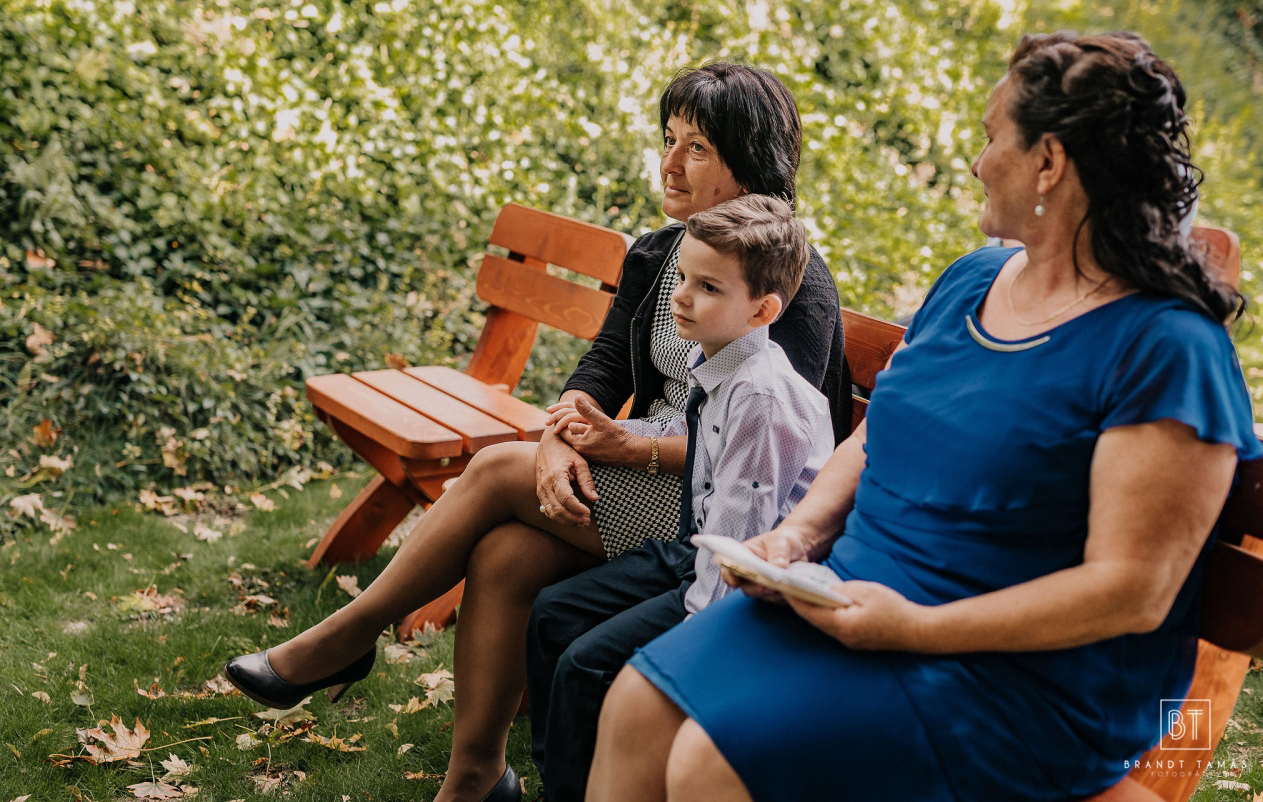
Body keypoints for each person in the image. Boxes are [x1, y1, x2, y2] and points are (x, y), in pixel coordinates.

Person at [586, 31, 1263, 802]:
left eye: (991, 138)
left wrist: (911, 628)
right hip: (850, 592)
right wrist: (793, 539)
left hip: (1011, 672)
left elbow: (1132, 589)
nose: (976, 163)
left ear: (1048, 162)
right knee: (637, 706)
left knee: (712, 763)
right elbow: (876, 434)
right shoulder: (971, 282)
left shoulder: (1168, 347)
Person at [223, 62, 851, 802]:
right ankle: (476, 779)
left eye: (698, 148)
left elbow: (766, 445)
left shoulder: (791, 281)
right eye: (668, 139)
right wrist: (557, 438)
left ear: (749, 161)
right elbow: (604, 364)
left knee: (494, 473)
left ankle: (347, 637)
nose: (671, 163)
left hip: (715, 506)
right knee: (506, 551)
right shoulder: (662, 253)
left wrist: (632, 447)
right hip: (633, 468)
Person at [525, 194, 835, 802]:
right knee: (552, 614)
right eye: (684, 278)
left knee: (586, 661)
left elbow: (740, 546)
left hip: (748, 584)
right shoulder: (714, 355)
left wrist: (691, 649)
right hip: (699, 547)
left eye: (708, 287)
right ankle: (566, 781)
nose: (682, 297)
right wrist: (606, 435)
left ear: (762, 310)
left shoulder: (761, 397)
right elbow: (695, 468)